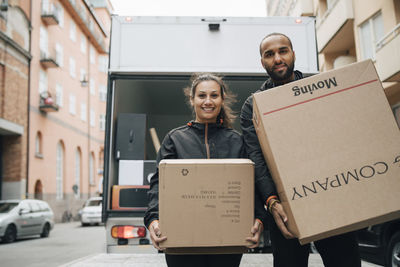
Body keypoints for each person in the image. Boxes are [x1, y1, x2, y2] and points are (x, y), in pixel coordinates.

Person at [240, 33, 362, 267]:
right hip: (285, 207)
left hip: (332, 197)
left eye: (283, 51)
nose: (277, 58)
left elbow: (343, 140)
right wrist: (272, 202)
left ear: (293, 54)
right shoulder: (253, 105)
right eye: (269, 54)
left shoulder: (319, 89)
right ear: (262, 62)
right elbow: (257, 157)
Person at [144, 73, 265, 267]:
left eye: (214, 95)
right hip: (182, 243)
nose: (208, 101)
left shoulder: (237, 141)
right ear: (192, 100)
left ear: (222, 99)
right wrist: (153, 220)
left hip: (227, 242)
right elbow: (159, 185)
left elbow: (252, 185)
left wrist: (259, 220)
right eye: (201, 96)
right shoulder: (174, 139)